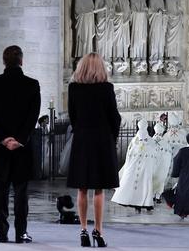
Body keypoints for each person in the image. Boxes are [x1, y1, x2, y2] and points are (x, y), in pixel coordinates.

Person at [0, 46, 41, 244]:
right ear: (21, 61)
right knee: (21, 193)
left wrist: (2, 138)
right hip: (22, 147)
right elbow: (33, 116)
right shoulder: (32, 85)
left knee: (1, 191)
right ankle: (21, 232)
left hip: (1, 146)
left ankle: (2, 232)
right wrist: (20, 139)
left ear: (4, 61)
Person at [66, 53, 121, 247]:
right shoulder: (106, 89)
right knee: (99, 189)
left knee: (82, 189)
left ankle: (82, 231)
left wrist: (81, 130)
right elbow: (115, 117)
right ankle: (98, 231)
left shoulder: (73, 89)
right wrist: (111, 137)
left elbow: (72, 116)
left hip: (82, 140)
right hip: (102, 141)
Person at [111, 119, 157, 213]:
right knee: (144, 184)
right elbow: (154, 154)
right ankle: (143, 203)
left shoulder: (134, 139)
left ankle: (134, 202)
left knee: (135, 182)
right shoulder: (150, 140)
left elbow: (129, 153)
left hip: (135, 164)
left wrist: (128, 164)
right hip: (145, 165)